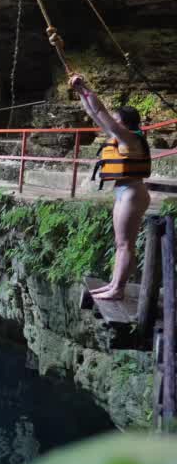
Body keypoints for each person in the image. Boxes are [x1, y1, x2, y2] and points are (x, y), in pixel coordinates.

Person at [70, 73, 150, 301]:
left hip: (133, 193)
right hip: (125, 192)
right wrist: (80, 93)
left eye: (116, 119)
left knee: (125, 244)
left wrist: (84, 86)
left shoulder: (129, 138)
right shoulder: (123, 136)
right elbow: (92, 112)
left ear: (124, 121)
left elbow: (100, 112)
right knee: (121, 243)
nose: (112, 121)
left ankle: (118, 289)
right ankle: (114, 284)